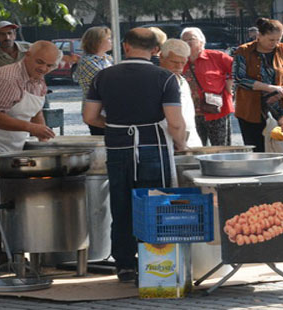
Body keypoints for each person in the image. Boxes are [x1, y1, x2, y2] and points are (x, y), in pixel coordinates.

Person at [82, 28, 188, 282]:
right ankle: (156, 265)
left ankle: (125, 266)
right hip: (153, 147)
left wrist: (115, 125)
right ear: (155, 51)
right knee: (156, 205)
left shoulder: (103, 76)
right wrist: (181, 143)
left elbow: (89, 117)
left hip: (118, 147)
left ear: (125, 46)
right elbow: (174, 121)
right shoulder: (165, 77)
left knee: (121, 207)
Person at [0, 41, 60, 267]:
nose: (43, 68)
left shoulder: (38, 80)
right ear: (27, 55)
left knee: (7, 194)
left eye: (49, 65)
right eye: (39, 62)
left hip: (8, 140)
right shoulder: (7, 78)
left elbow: (35, 110)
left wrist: (42, 136)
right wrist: (31, 129)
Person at [233, 18, 283, 153]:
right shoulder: (243, 51)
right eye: (271, 40)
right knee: (258, 149)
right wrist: (270, 88)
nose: (275, 43)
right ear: (259, 36)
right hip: (251, 111)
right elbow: (239, 78)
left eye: (278, 39)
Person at [181, 27, 234, 147]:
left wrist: (229, 84)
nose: (187, 42)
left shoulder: (216, 56)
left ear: (201, 42)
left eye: (191, 39)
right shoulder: (180, 60)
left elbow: (237, 69)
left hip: (216, 110)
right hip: (190, 113)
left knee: (221, 148)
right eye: (184, 40)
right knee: (195, 148)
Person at [160, 39, 202, 148]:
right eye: (174, 62)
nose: (179, 67)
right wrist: (181, 143)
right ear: (162, 58)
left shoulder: (182, 81)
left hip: (191, 140)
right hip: (172, 142)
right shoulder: (158, 81)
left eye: (183, 62)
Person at [73, 26, 114, 136]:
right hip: (96, 110)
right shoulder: (87, 61)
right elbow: (106, 81)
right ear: (98, 42)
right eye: (108, 38)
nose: (111, 41)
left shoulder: (107, 59)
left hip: (109, 108)